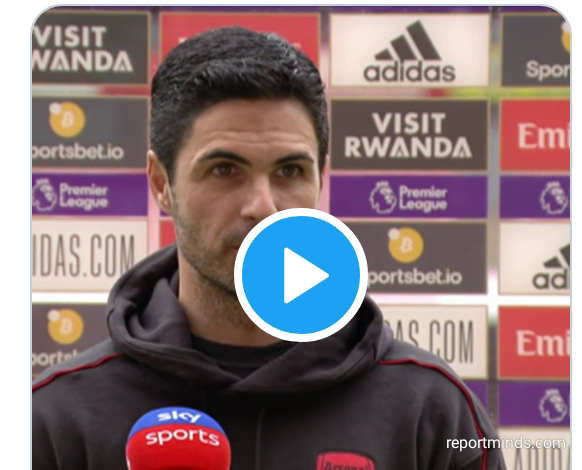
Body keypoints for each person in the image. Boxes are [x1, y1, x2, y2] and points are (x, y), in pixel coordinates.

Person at [32, 27, 506, 470]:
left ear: (321, 178)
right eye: (224, 169)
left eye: (289, 171)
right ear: (161, 184)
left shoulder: (431, 409)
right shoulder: (55, 417)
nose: (263, 206)